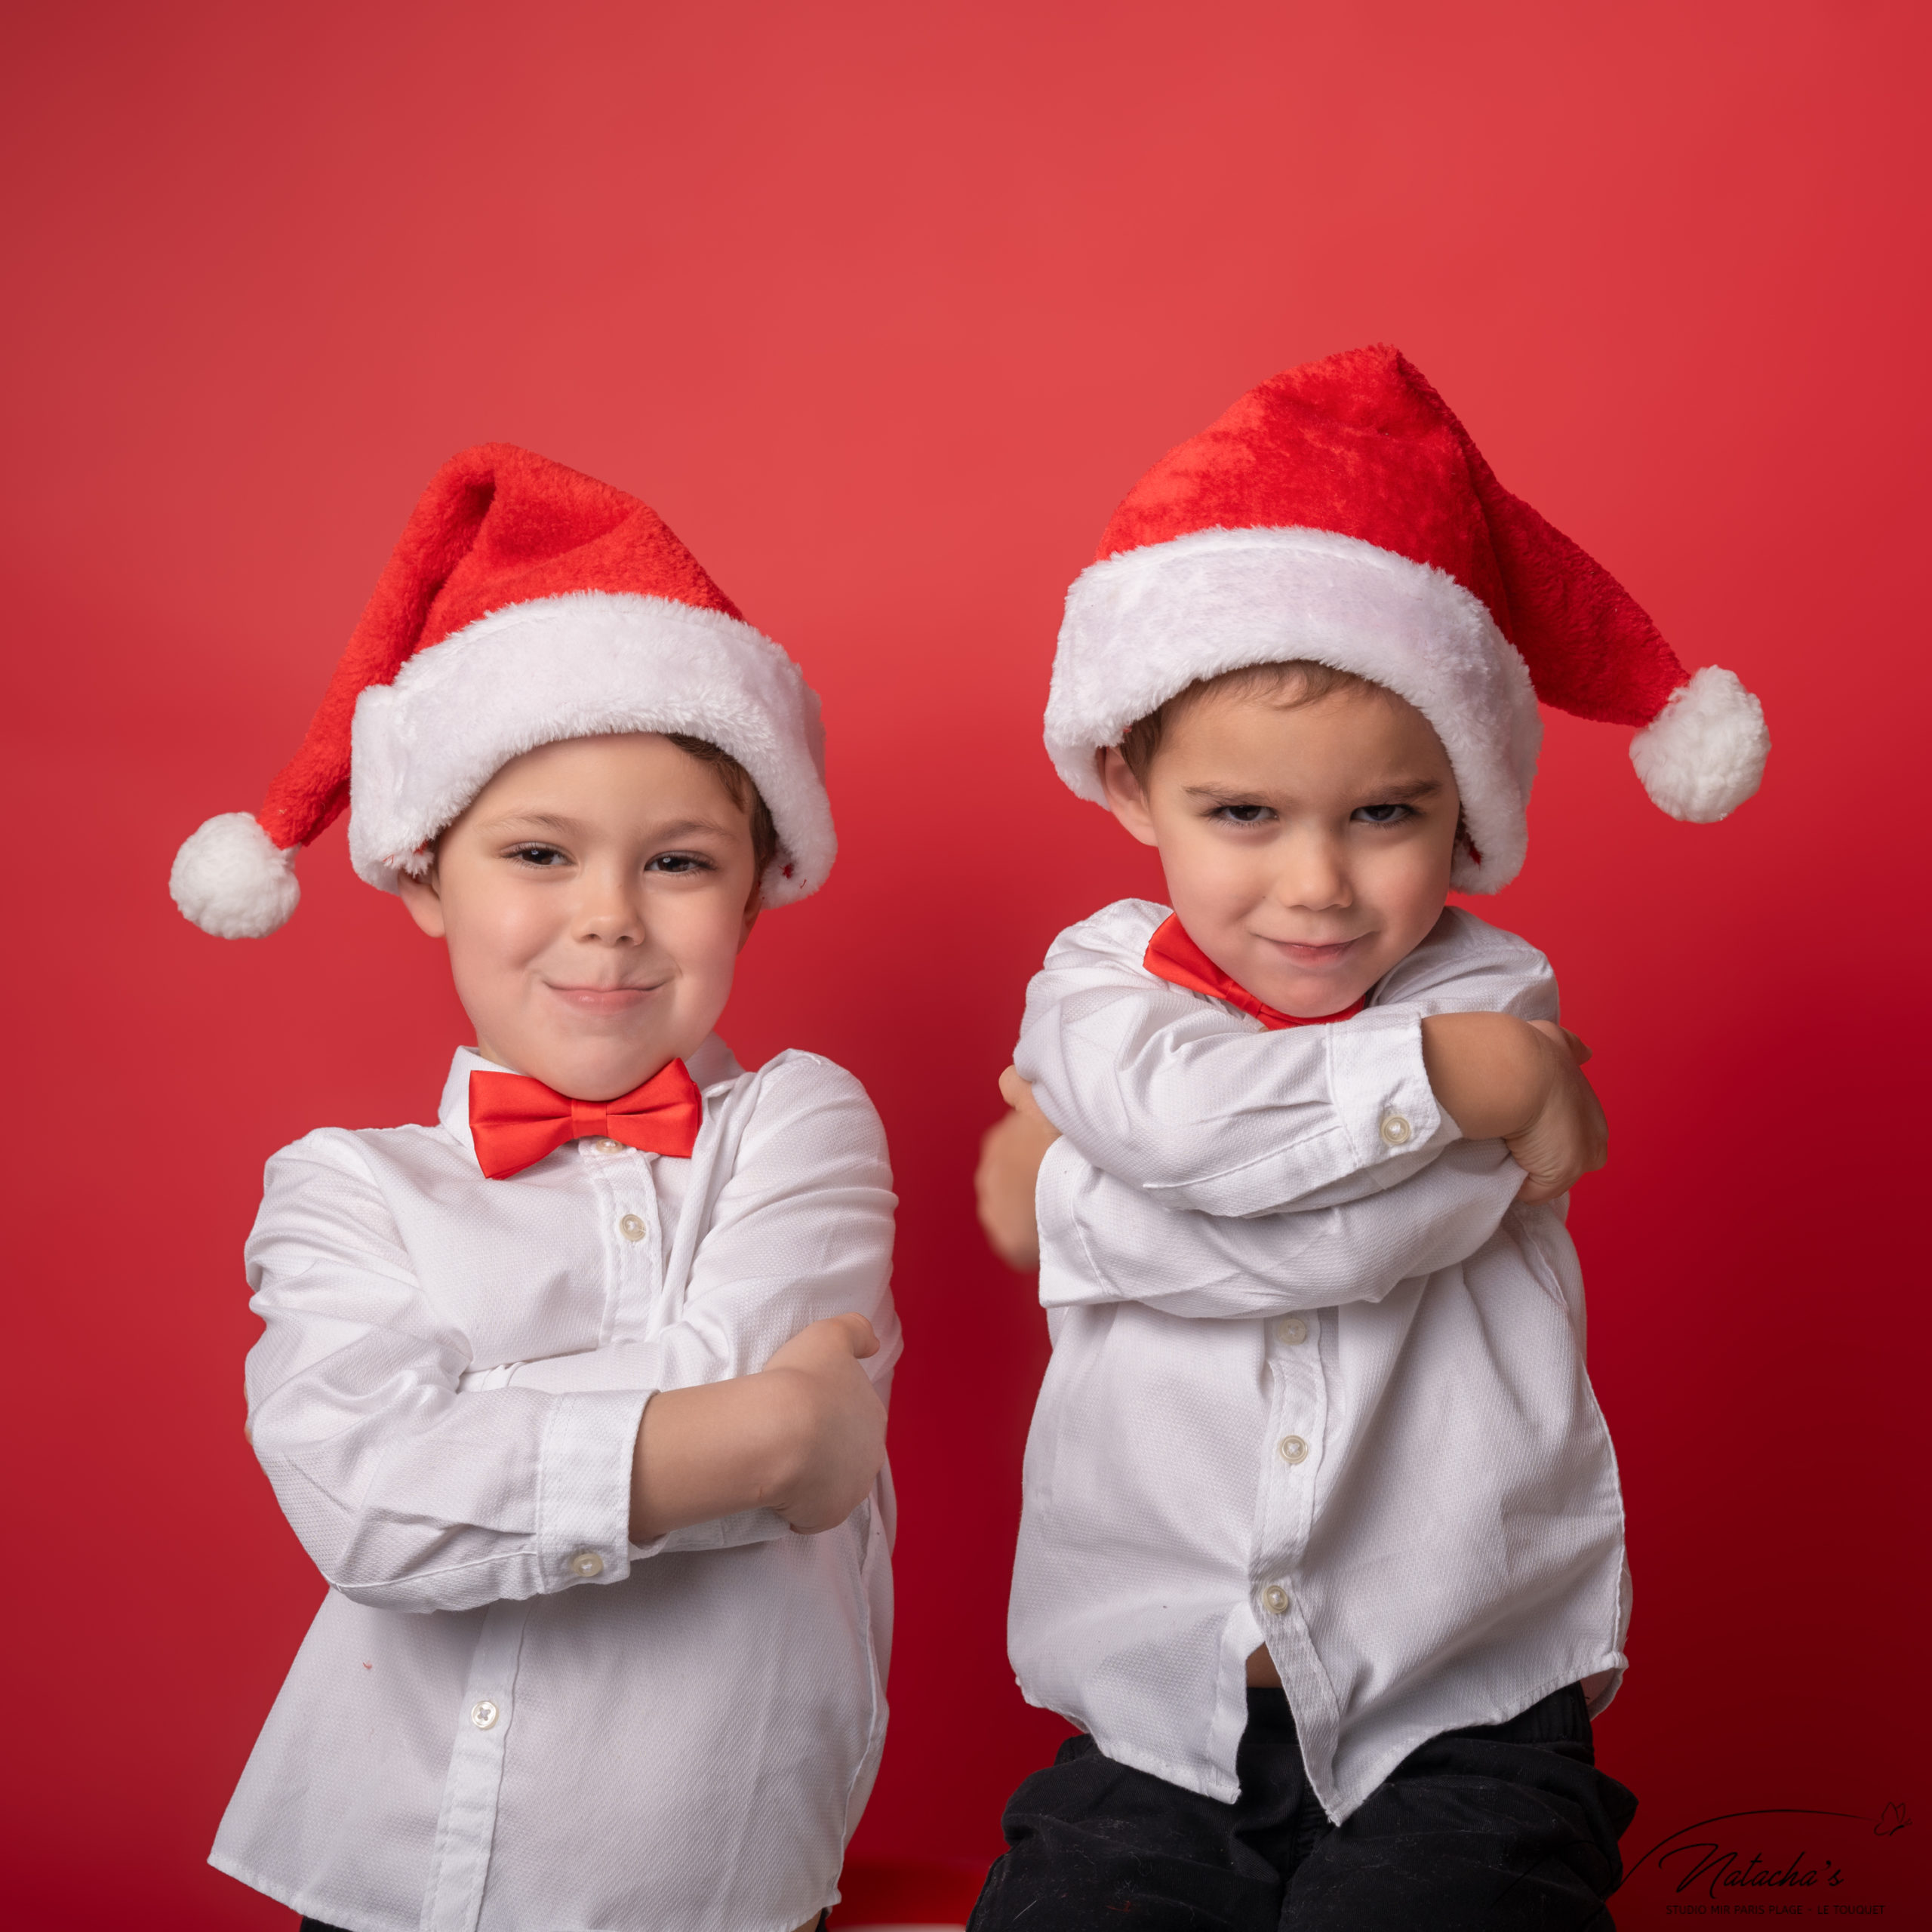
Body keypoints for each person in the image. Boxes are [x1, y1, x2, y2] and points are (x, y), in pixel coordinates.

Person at [969, 346, 1769, 1930]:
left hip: (1459, 1707)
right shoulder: (1101, 980)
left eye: (1384, 816)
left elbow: (1355, 1232)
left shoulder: (1497, 985)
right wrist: (1461, 1085)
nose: (1318, 888)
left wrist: (1068, 1195)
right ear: (1132, 783)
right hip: (1155, 1718)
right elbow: (1194, 1125)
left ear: (1466, 810)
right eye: (1244, 814)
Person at [172, 446, 898, 1932]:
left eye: (679, 859)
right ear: (426, 873)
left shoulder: (800, 1124)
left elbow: (421, 1479)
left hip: (718, 1883)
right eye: (538, 852)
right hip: (390, 1871)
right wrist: (758, 1434)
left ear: (757, 884)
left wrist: (479, 1420)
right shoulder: (342, 1189)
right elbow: (363, 1513)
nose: (607, 917)